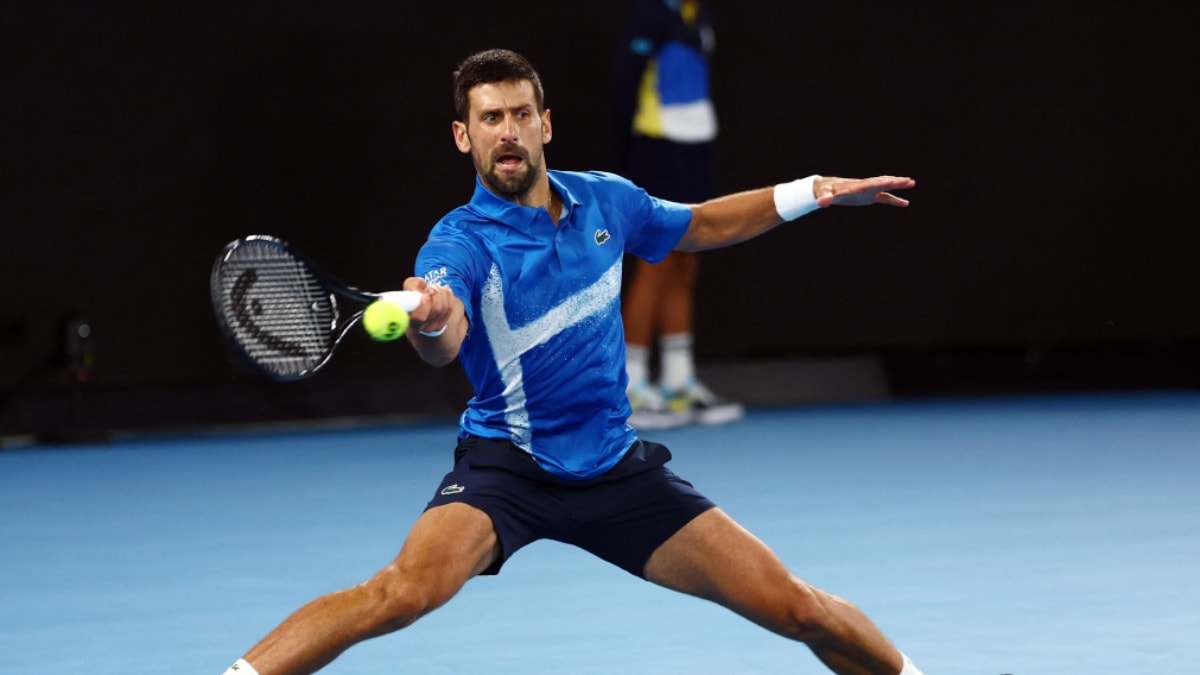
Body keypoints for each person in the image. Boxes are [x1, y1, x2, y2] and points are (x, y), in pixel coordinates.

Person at [222, 48, 920, 675]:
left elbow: (701, 223)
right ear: (464, 136)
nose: (507, 131)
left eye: (520, 114)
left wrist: (814, 190)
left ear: (545, 124)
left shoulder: (607, 200)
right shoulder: (459, 242)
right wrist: (431, 319)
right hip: (508, 468)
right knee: (399, 594)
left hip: (615, 467)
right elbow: (445, 340)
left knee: (796, 607)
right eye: (490, 118)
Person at [612, 0, 742, 429]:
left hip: (698, 147)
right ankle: (629, 385)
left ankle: (677, 382)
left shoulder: (698, 12)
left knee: (687, 260)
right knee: (657, 262)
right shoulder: (650, 13)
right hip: (657, 146)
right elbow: (626, 84)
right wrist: (625, 158)